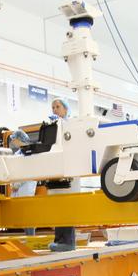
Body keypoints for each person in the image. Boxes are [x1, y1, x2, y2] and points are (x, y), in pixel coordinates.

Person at [46, 98, 76, 252]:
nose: (55, 110)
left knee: (67, 207)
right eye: (53, 107)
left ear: (65, 109)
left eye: (57, 107)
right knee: (57, 207)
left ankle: (68, 242)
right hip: (57, 171)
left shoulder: (70, 126)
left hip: (69, 172)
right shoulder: (54, 127)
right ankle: (59, 240)